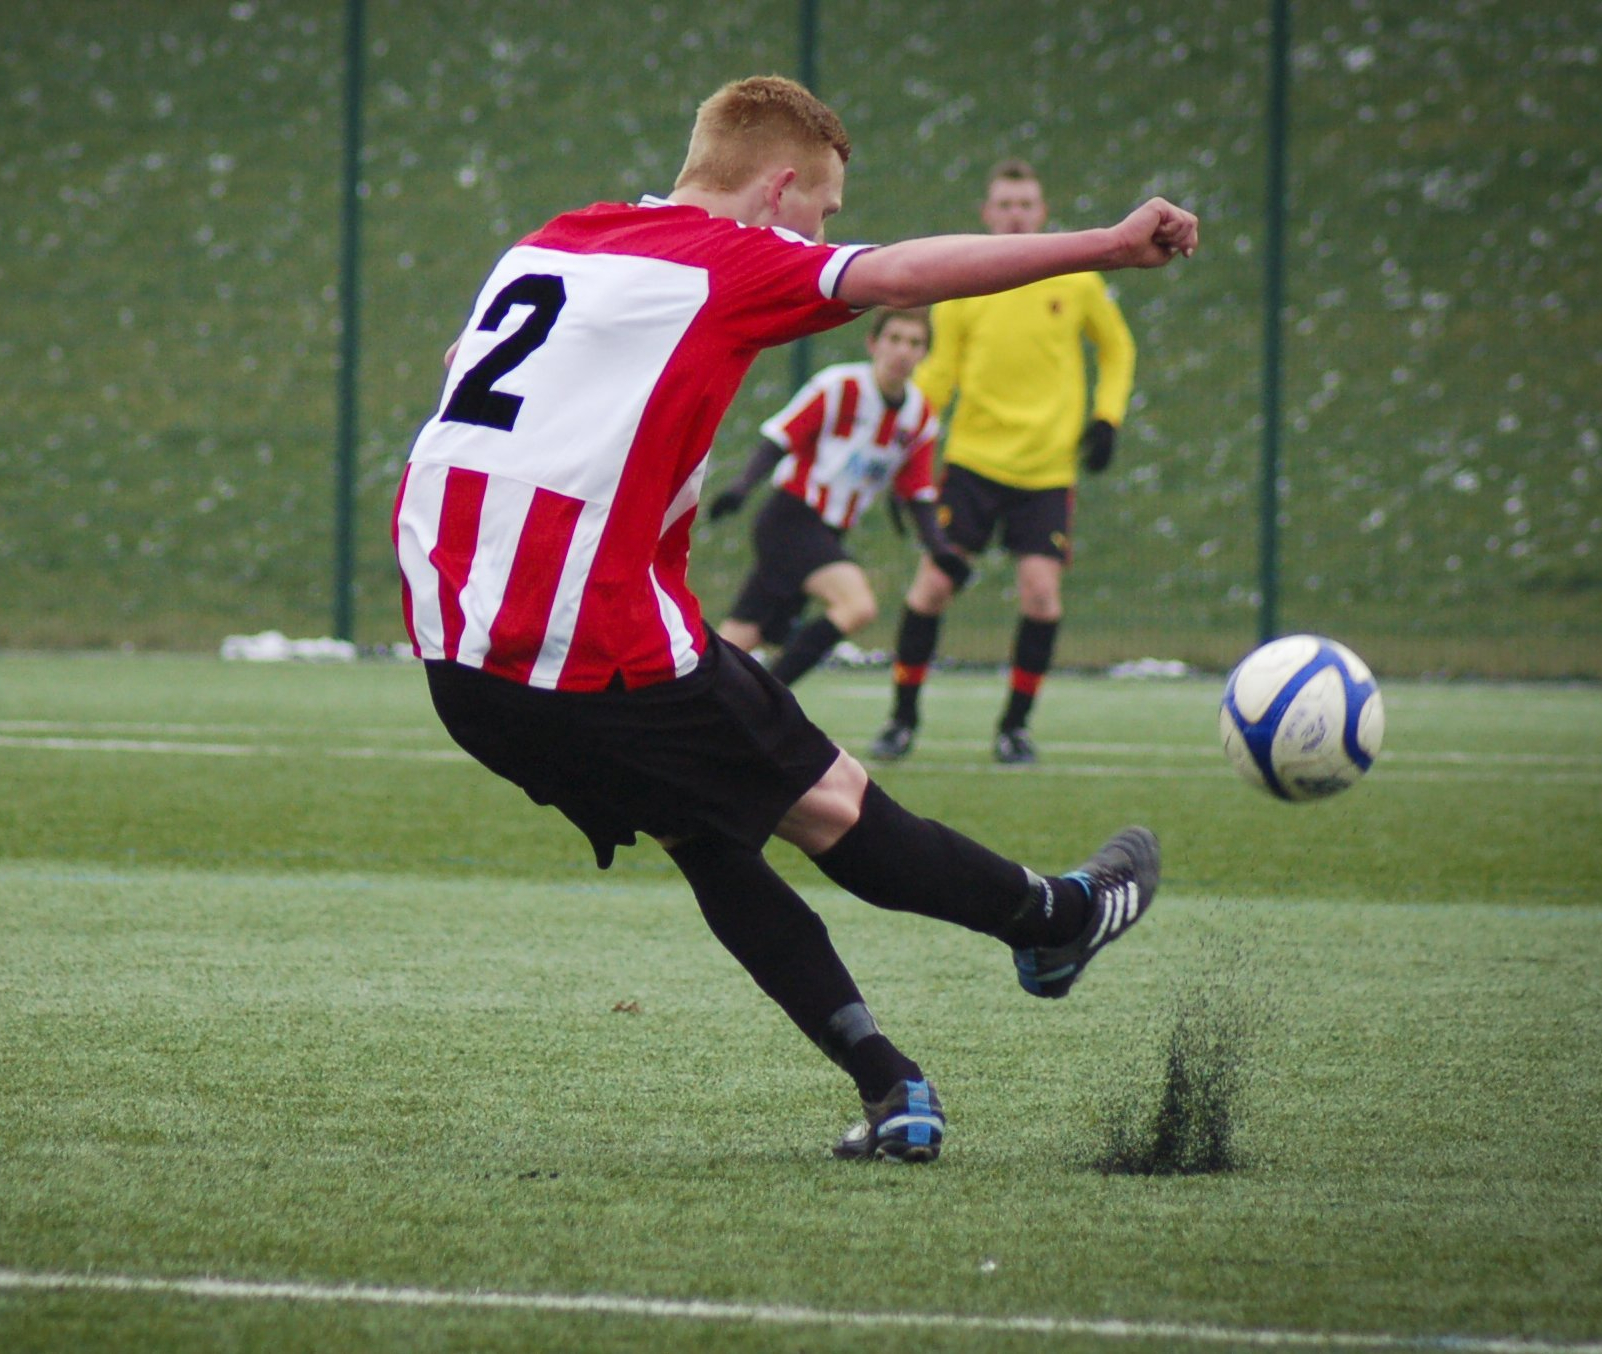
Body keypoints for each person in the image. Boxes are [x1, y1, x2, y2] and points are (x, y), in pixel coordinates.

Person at [393, 77, 1193, 1161]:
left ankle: (892, 1087)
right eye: (821, 213)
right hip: (587, 642)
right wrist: (1100, 243)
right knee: (832, 808)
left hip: (458, 659)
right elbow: (900, 274)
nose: (824, 235)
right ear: (776, 190)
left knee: (705, 832)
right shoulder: (729, 260)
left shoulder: (550, 243)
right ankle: (1053, 923)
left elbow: (461, 373)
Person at [869, 158, 1137, 767]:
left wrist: (1107, 417)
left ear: (1042, 213)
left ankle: (1014, 728)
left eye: (1026, 205)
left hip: (1045, 470)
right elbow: (940, 373)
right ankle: (902, 720)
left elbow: (1117, 348)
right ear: (987, 214)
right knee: (934, 584)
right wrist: (903, 444)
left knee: (1041, 595)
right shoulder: (967, 282)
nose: (1016, 215)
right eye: (1005, 205)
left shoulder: (1076, 280)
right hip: (972, 462)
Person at [707, 308, 959, 686]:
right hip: (791, 518)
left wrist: (940, 549)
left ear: (925, 354)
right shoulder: (840, 386)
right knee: (856, 605)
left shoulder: (920, 416)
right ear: (873, 344)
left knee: (741, 636)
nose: (902, 351)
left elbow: (917, 491)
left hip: (828, 533)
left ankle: (691, 698)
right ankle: (770, 699)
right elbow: (781, 437)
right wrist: (742, 487)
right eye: (894, 339)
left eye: (914, 343)